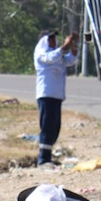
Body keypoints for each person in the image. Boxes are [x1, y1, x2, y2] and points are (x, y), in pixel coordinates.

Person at [33, 29, 78, 167]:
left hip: (57, 96)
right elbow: (52, 57)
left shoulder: (58, 55)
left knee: (55, 128)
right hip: (46, 95)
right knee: (46, 127)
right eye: (51, 38)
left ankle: (48, 157)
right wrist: (64, 46)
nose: (53, 40)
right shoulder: (41, 54)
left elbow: (71, 60)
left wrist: (72, 45)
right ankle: (43, 159)